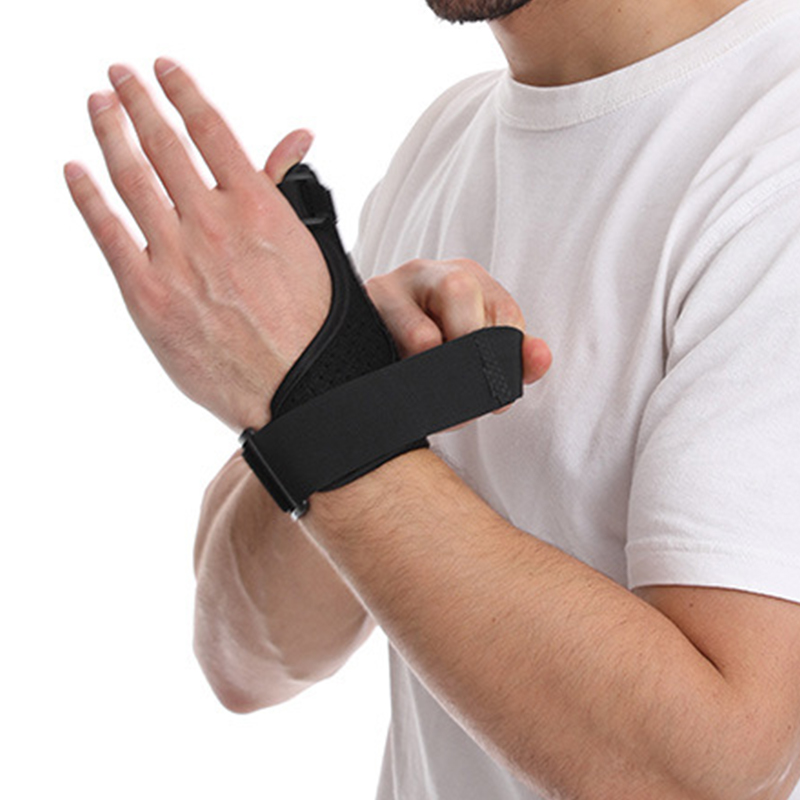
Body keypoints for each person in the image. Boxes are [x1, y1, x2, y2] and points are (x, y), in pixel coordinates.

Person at [65, 0, 800, 797]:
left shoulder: (776, 161)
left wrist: (334, 405)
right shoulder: (446, 138)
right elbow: (250, 661)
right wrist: (335, 381)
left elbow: (717, 776)